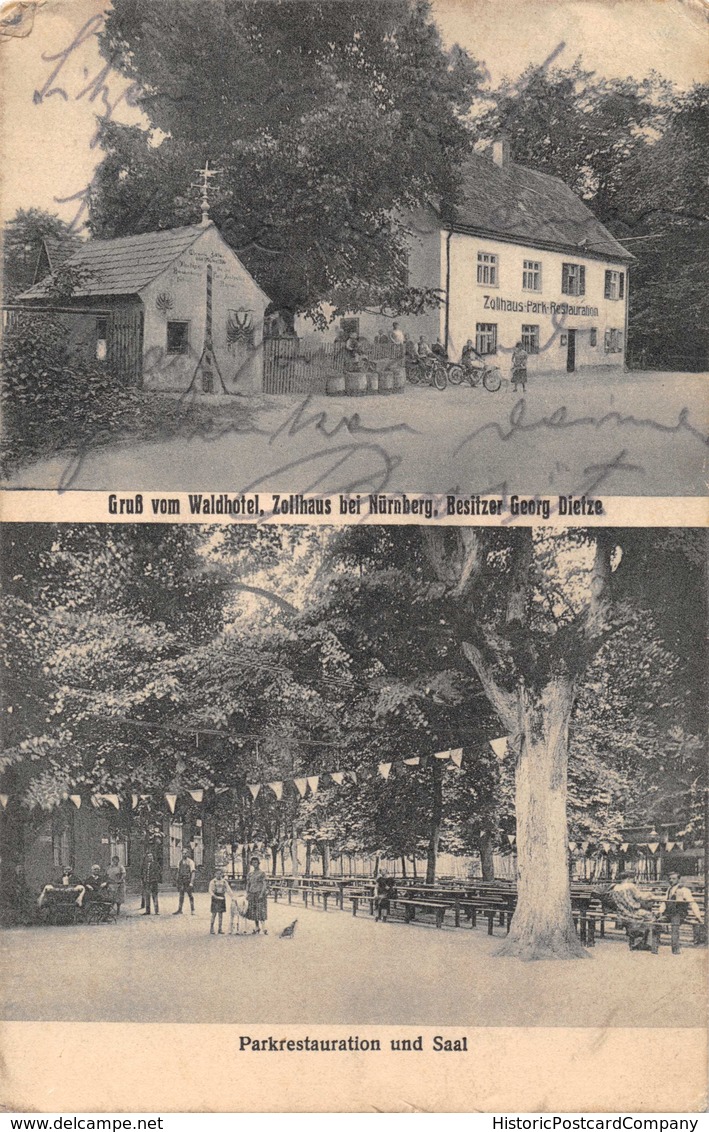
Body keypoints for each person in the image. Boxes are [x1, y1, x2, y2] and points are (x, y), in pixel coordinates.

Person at [610, 869, 657, 950]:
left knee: (643, 918)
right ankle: (646, 943)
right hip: (633, 911)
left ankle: (636, 941)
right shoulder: (630, 885)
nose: (633, 880)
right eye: (633, 878)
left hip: (621, 912)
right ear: (628, 878)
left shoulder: (615, 887)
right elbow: (640, 896)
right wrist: (650, 894)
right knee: (652, 917)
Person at [659, 871, 704, 941]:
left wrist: (698, 916)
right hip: (668, 914)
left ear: (678, 879)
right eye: (670, 879)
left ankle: (675, 949)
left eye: (674, 879)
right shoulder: (669, 889)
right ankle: (655, 945)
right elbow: (664, 902)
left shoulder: (684, 890)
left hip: (680, 914)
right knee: (653, 922)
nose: (671, 880)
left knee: (675, 922)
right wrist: (660, 912)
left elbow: (692, 903)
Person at [245, 856, 268, 935]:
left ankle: (264, 927)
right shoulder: (250, 874)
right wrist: (247, 893)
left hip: (259, 893)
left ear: (258, 863)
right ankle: (257, 927)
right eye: (253, 862)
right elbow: (248, 884)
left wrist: (262, 893)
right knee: (254, 911)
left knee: (261, 910)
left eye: (256, 862)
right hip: (252, 893)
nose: (255, 864)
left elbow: (264, 884)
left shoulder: (262, 873)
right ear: (251, 864)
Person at [208, 867, 232, 935]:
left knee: (220, 914)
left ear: (222, 874)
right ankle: (211, 928)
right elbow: (210, 890)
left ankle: (220, 929)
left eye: (220, 874)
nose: (219, 875)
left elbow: (228, 890)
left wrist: (232, 897)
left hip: (222, 897)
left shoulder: (224, 881)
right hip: (215, 898)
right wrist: (214, 895)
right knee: (214, 913)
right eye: (217, 874)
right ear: (215, 874)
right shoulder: (213, 881)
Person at [173, 848, 196, 915]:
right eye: (183, 853)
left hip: (188, 880)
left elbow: (193, 872)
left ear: (188, 854)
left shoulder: (190, 862)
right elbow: (178, 871)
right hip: (181, 881)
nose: (184, 854)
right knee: (181, 895)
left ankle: (192, 909)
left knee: (190, 895)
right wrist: (176, 880)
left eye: (185, 853)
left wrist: (191, 882)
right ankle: (180, 910)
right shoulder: (179, 862)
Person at [141, 850, 161, 916]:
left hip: (154, 883)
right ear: (146, 858)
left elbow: (158, 872)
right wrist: (143, 880)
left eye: (151, 856)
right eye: (148, 856)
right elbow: (142, 873)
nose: (150, 857)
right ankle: (147, 911)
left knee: (155, 896)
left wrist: (155, 879)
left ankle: (156, 911)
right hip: (147, 883)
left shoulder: (156, 864)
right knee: (147, 896)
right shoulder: (144, 865)